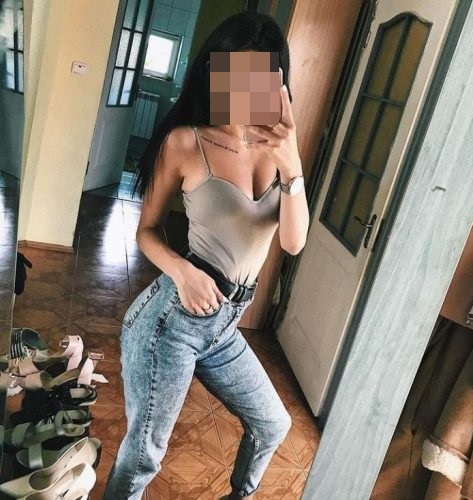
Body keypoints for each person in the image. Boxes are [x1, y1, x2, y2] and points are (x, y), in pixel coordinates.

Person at [103, 10, 309, 500]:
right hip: (170, 321)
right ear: (217, 72)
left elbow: (293, 242)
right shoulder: (186, 141)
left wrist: (293, 166)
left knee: (272, 424)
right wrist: (181, 271)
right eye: (234, 72)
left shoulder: (280, 149)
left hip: (224, 326)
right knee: (146, 453)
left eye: (260, 75)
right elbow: (146, 231)